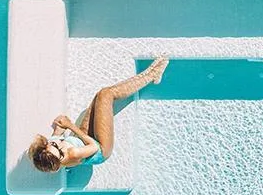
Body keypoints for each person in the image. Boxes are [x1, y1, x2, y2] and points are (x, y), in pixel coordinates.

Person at [30, 57, 170, 172]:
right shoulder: (72, 153)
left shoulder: (51, 148)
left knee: (99, 96)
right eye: (60, 153)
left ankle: (151, 74)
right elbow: (94, 146)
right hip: (100, 147)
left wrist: (60, 126)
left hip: (81, 141)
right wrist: (71, 126)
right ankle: (152, 75)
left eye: (53, 144)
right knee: (106, 94)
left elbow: (57, 134)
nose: (59, 146)